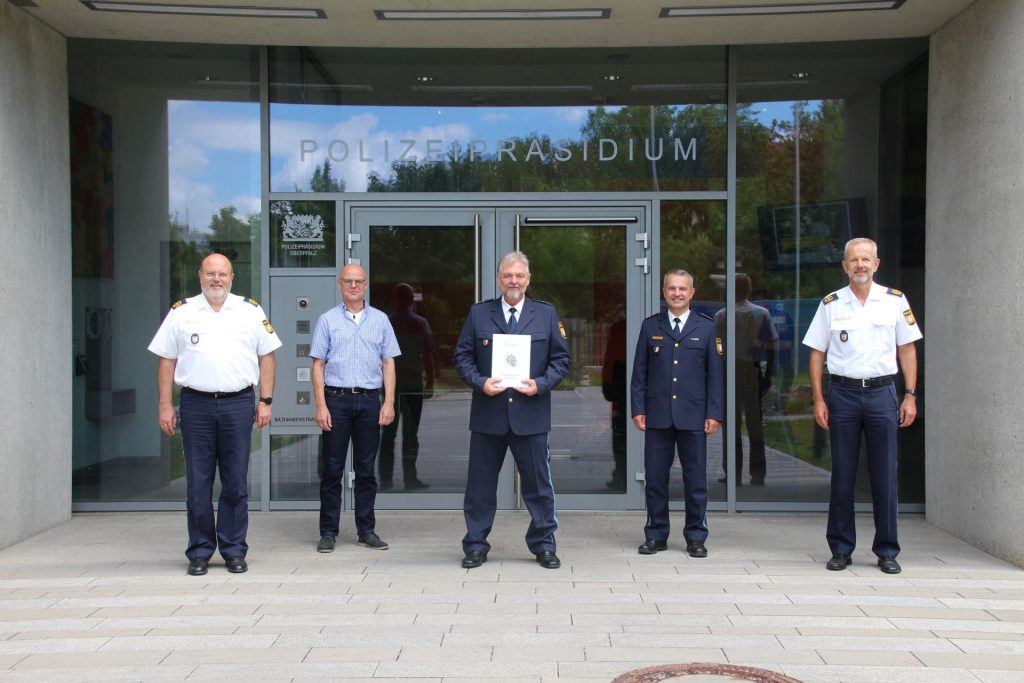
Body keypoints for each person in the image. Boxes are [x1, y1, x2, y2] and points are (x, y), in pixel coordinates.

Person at [148, 252, 281, 576]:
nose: (216, 279)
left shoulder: (250, 311)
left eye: (222, 274)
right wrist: (165, 405)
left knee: (235, 482)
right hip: (196, 405)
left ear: (232, 277)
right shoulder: (182, 313)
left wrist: (265, 400)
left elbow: (268, 357)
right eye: (211, 273)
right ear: (200, 276)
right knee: (198, 484)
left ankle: (234, 551)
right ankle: (200, 552)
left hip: (238, 404)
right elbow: (166, 360)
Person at [802, 237, 922, 575]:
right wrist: (818, 398)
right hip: (843, 395)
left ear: (876, 263)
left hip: (883, 394)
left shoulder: (895, 301)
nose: (860, 265)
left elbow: (908, 349)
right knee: (842, 475)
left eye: (866, 260)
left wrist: (910, 394)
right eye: (854, 260)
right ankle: (840, 548)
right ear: (845, 266)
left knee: (885, 475)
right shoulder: (831, 304)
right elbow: (816, 352)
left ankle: (886, 550)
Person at [452, 251, 571, 569]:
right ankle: (476, 545)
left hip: (530, 415)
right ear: (498, 279)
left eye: (519, 276)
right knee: (479, 487)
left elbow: (562, 361)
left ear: (528, 280)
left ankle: (544, 544)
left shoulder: (545, 314)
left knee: (538, 486)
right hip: (488, 415)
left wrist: (541, 384)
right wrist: (480, 382)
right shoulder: (479, 314)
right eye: (508, 276)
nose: (513, 281)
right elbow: (462, 357)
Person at [631, 269, 723, 558]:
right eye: (671, 288)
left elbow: (715, 376)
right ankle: (656, 534)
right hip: (658, 415)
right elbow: (639, 374)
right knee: (656, 479)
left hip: (694, 415)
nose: (677, 293)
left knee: (695, 481)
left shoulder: (706, 328)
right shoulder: (650, 326)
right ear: (664, 291)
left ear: (692, 293)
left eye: (683, 289)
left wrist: (714, 413)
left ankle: (696, 536)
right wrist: (638, 408)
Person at [311, 263, 401, 554]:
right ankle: (328, 532)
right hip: (335, 400)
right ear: (339, 284)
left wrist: (388, 402)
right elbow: (317, 365)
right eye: (348, 281)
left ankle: (366, 530)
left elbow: (389, 362)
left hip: (368, 401)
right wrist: (321, 405)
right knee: (332, 470)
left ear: (366, 285)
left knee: (365, 470)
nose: (353, 285)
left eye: (358, 281)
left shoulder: (381, 320)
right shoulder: (327, 320)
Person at [714, 274, 777, 486]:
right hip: (752, 368)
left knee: (731, 425)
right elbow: (771, 346)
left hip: (729, 369)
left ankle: (733, 473)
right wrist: (768, 374)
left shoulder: (722, 315)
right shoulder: (762, 313)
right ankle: (758, 474)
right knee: (755, 423)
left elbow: (717, 347)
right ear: (748, 290)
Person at [378, 282, 437, 491]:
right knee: (411, 434)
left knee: (388, 434)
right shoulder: (420, 323)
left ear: (395, 299)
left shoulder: (386, 323)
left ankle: (385, 480)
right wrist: (430, 382)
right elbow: (428, 355)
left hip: (390, 385)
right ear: (412, 299)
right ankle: (410, 479)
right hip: (412, 383)